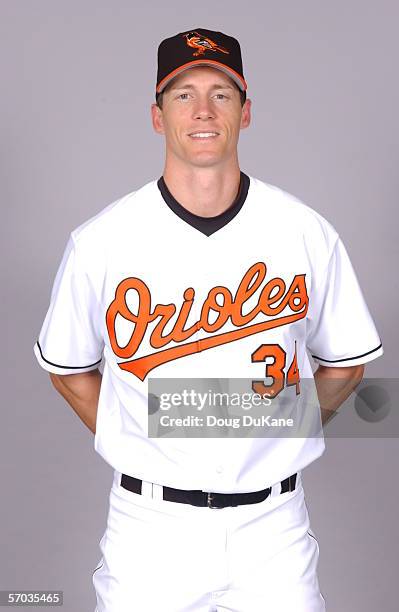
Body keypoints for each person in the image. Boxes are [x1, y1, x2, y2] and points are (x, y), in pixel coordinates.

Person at [33, 27, 383, 611]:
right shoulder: (101, 241)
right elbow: (69, 370)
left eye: (221, 94)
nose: (202, 109)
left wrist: (280, 430)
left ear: (245, 114)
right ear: (156, 115)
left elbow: (346, 364)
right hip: (150, 528)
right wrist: (141, 436)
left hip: (273, 527)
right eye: (183, 94)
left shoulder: (304, 231)